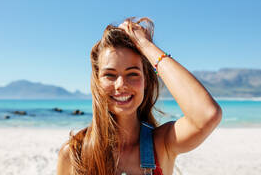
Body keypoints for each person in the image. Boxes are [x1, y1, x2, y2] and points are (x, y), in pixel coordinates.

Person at [57, 17, 222, 175]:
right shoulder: (74, 152)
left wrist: (146, 45)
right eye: (110, 75)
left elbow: (207, 114)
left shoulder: (162, 144)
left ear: (146, 82)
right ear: (97, 82)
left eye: (133, 74)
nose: (121, 84)